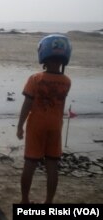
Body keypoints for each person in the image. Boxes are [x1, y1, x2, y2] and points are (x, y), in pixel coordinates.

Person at [16, 34, 72, 204]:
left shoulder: (35, 79)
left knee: (30, 163)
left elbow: (27, 104)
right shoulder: (67, 81)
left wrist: (20, 126)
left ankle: (25, 200)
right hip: (55, 126)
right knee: (52, 166)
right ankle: (48, 202)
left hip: (36, 126)